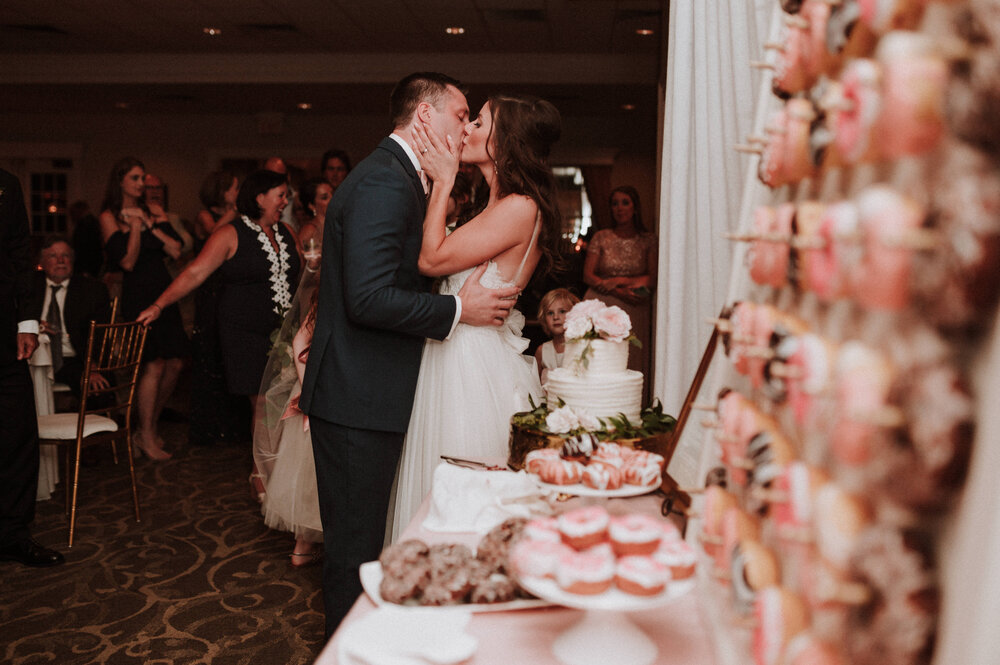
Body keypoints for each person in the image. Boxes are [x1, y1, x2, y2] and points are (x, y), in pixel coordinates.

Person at [298, 72, 520, 636]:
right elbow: (368, 298)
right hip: (358, 396)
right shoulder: (384, 183)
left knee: (370, 543)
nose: (466, 126)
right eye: (459, 114)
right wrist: (455, 313)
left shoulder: (402, 178)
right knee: (354, 553)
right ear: (425, 117)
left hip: (372, 390)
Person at [389, 91, 563, 542]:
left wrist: (444, 181)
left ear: (506, 143)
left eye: (479, 123)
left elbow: (431, 260)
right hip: (461, 349)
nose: (466, 129)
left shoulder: (518, 208)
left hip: (472, 365)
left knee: (468, 496)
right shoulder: (497, 205)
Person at [136, 169, 301, 422]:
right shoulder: (230, 234)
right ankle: (264, 463)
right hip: (244, 334)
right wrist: (159, 305)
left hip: (285, 333)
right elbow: (194, 273)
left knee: (286, 404)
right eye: (280, 195)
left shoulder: (287, 232)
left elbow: (305, 274)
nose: (285, 202)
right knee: (261, 404)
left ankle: (283, 462)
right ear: (259, 198)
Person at [99, 157, 188, 461]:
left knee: (175, 363)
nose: (142, 185)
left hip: (164, 292)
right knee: (154, 364)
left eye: (143, 179)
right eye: (136, 179)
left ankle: (147, 425)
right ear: (121, 180)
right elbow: (127, 261)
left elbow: (176, 250)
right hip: (138, 293)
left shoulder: (154, 212)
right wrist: (136, 227)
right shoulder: (109, 216)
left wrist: (150, 222)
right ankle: (146, 434)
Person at [0, 168, 65, 568]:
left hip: (4, 332)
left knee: (17, 433)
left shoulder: (6, 183)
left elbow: (19, 253)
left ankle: (12, 534)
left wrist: (25, 321)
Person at [582, 185, 656, 401]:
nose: (619, 208)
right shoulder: (601, 237)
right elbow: (588, 275)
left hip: (635, 305)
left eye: (625, 202)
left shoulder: (648, 240)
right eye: (615, 203)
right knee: (602, 357)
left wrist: (619, 282)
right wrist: (614, 289)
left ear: (635, 207)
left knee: (632, 356)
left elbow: (651, 278)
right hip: (602, 302)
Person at [189, 170, 246, 447]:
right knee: (207, 354)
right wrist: (234, 211)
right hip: (208, 289)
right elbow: (214, 233)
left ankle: (229, 425)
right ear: (222, 191)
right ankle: (208, 427)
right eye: (234, 187)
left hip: (224, 288)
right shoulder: (205, 214)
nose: (237, 192)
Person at [30, 237, 113, 400]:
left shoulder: (92, 290)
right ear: (42, 261)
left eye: (65, 255)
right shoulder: (29, 286)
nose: (60, 261)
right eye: (53, 256)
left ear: (73, 261)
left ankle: (94, 425)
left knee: (97, 389)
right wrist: (33, 324)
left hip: (73, 359)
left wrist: (92, 368)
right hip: (31, 359)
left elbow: (101, 334)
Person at [534, 288, 580, 383]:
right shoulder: (541, 351)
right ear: (544, 318)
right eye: (550, 313)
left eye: (562, 311)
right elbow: (535, 385)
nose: (556, 317)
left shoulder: (582, 346)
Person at [195, 171, 239, 243]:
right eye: (236, 188)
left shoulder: (237, 215)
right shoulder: (204, 215)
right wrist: (235, 208)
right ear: (224, 192)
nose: (238, 192)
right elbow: (214, 231)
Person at [296, 176, 333, 254]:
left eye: (333, 194)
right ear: (312, 205)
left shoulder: (335, 225)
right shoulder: (309, 230)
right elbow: (299, 261)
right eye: (325, 197)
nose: (332, 199)